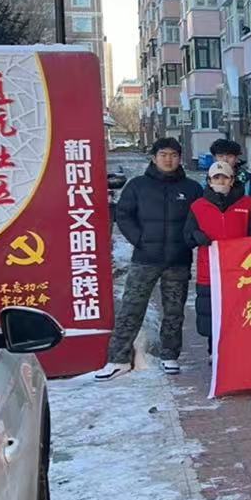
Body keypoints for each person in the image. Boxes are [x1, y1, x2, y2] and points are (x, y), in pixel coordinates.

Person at [100, 138, 203, 379]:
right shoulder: (138, 186)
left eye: (173, 155)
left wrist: (190, 240)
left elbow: (200, 218)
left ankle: (170, 355)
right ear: (154, 158)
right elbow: (123, 215)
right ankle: (118, 359)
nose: (168, 159)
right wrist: (139, 239)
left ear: (179, 158)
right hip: (145, 259)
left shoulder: (191, 188)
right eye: (163, 154)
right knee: (131, 308)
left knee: (174, 311)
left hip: (178, 260)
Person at [185, 164, 251, 349]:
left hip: (241, 272)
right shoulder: (198, 206)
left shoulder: (247, 204)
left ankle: (239, 352)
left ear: (232, 180)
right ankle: (214, 352)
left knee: (240, 314)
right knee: (212, 316)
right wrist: (196, 235)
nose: (221, 181)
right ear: (209, 181)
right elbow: (187, 236)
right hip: (210, 272)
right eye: (216, 177)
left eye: (225, 177)